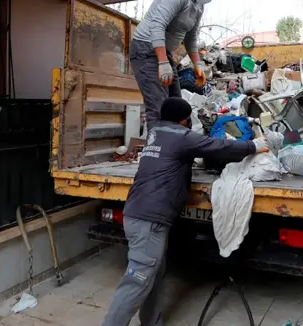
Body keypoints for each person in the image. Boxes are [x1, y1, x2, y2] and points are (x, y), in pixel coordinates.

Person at [102, 97, 269, 326]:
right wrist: (254, 146)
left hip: (136, 213)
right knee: (138, 280)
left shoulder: (156, 133)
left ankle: (152, 322)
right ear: (183, 120)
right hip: (150, 220)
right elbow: (218, 147)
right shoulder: (181, 136)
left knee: (152, 275)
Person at [130, 0, 226, 130]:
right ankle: (158, 151)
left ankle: (178, 148)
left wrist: (198, 65)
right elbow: (157, 25)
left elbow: (191, 38)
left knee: (177, 108)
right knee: (160, 108)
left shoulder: (199, 6)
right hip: (145, 49)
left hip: (164, 53)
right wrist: (162, 62)